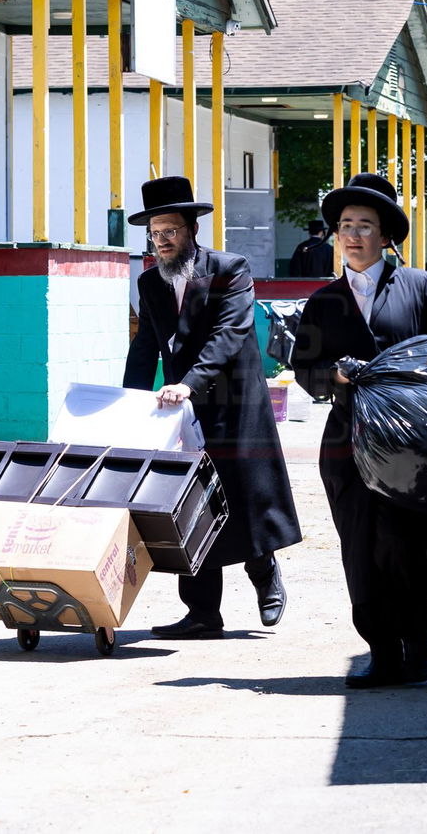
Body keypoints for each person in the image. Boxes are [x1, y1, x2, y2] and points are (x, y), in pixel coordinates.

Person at [289, 172, 427, 689]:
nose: (352, 235)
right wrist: (334, 376)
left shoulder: (420, 286)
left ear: (386, 235)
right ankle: (381, 653)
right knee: (361, 548)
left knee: (405, 545)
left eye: (365, 225)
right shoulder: (324, 300)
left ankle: (417, 646)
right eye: (345, 225)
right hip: (348, 444)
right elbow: (305, 367)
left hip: (413, 448)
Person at [125, 176, 303, 639]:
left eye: (171, 231)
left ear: (192, 230)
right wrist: (127, 403)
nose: (162, 241)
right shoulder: (149, 282)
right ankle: (203, 613)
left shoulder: (231, 269)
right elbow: (146, 344)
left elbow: (230, 333)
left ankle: (265, 575)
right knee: (190, 503)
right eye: (155, 232)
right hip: (181, 410)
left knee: (244, 497)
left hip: (234, 403)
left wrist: (188, 383)